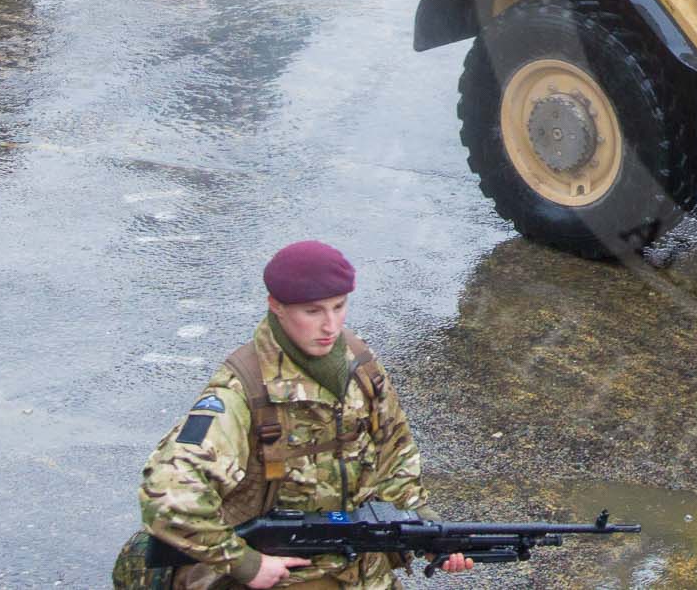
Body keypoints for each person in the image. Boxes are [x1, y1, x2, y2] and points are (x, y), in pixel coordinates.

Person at [122, 241, 474, 588]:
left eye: (339, 307)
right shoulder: (242, 390)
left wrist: (426, 529)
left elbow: (394, 455)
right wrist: (246, 564)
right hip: (286, 574)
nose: (330, 326)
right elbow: (167, 495)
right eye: (313, 312)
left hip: (364, 571)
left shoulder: (361, 365)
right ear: (276, 306)